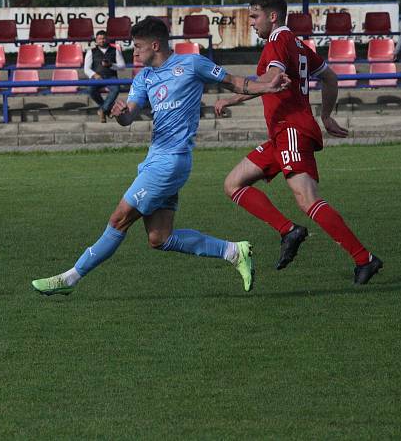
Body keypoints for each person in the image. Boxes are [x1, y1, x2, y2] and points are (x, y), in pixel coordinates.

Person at [31, 17, 290, 296]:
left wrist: (268, 86)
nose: (135, 53)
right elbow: (129, 115)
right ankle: (233, 252)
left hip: (171, 162)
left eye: (139, 47)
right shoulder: (144, 78)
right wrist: (120, 115)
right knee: (160, 238)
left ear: (156, 45)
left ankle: (69, 278)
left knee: (119, 219)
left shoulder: (191, 64)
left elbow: (235, 82)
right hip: (155, 160)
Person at [214, 0, 383, 285]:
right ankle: (289, 230)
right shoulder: (299, 45)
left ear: (273, 16)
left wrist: (230, 99)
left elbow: (270, 81)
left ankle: (364, 259)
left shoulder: (278, 43)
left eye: (255, 17)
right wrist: (326, 115)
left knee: (307, 199)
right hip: (282, 133)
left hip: (290, 129)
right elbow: (330, 78)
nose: (252, 23)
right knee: (233, 184)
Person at [84, 30, 126, 122]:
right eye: (99, 39)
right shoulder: (91, 51)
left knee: (116, 89)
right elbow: (86, 69)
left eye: (103, 38)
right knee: (90, 90)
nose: (102, 41)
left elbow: (122, 66)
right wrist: (94, 75)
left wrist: (111, 65)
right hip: (97, 78)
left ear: (107, 39)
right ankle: (107, 109)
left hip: (111, 77)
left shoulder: (115, 50)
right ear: (96, 40)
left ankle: (102, 110)